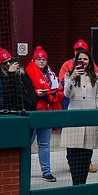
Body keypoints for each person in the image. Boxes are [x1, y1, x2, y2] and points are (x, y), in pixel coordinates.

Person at [60, 49, 98, 184]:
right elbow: (67, 95)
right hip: (74, 119)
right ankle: (75, 185)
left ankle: (82, 185)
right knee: (73, 155)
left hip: (90, 120)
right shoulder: (69, 75)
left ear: (90, 61)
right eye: (81, 59)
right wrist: (73, 77)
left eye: (86, 59)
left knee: (86, 156)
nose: (83, 62)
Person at [25, 45, 62, 181]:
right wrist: (36, 93)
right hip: (34, 112)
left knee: (45, 144)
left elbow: (59, 88)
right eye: (39, 59)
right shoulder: (28, 72)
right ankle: (23, 171)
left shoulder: (50, 74)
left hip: (47, 111)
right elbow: (26, 92)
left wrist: (52, 93)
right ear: (34, 60)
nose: (41, 61)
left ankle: (46, 172)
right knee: (27, 143)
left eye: (44, 59)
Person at [0, 48, 35, 115]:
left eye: (10, 61)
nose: (8, 64)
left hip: (28, 108)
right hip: (13, 111)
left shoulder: (22, 72)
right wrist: (11, 74)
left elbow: (30, 89)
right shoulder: (0, 77)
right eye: (4, 63)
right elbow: (8, 95)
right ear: (0, 65)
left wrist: (33, 103)